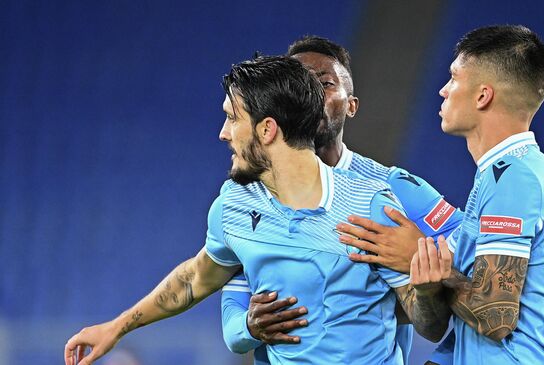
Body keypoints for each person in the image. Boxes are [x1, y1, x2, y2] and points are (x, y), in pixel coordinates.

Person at [64, 55, 451, 365]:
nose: (223, 133)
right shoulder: (233, 204)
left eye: (233, 119)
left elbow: (428, 324)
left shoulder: (369, 203)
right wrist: (115, 328)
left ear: (267, 130)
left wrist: (429, 290)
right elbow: (195, 278)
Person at [219, 36, 462, 365]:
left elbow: (478, 271)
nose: (311, 96)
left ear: (351, 105)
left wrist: (446, 355)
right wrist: (246, 325)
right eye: (299, 85)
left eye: (325, 84)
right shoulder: (249, 199)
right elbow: (231, 312)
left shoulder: (391, 188)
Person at [338, 25, 544, 364]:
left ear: (482, 96)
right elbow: (461, 318)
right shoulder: (509, 174)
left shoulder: (514, 178)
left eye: (454, 78)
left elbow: (497, 318)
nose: (443, 91)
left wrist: (416, 257)